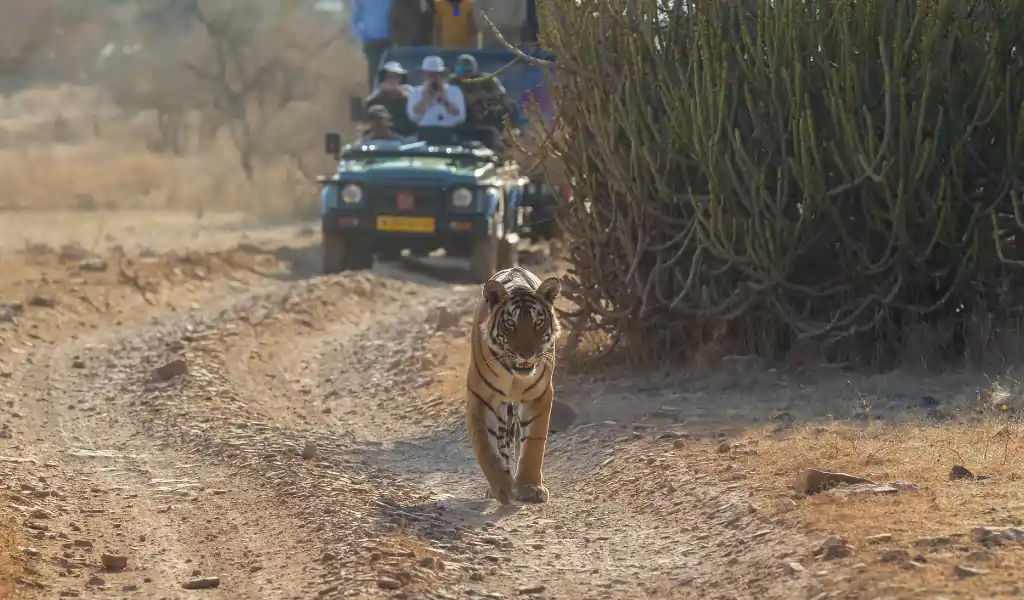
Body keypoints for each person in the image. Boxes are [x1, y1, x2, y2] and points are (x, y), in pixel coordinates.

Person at [449, 54, 509, 149]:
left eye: (469, 72)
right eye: (462, 72)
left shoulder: (486, 80)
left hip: (485, 115)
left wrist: (482, 96)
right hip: (462, 117)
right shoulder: (452, 81)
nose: (467, 76)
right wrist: (463, 98)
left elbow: (501, 95)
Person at [406, 55, 467, 144]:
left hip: (448, 134)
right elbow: (413, 116)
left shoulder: (454, 90)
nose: (433, 79)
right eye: (429, 75)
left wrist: (445, 101)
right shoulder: (416, 91)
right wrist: (425, 97)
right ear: (423, 75)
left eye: (436, 75)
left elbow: (460, 116)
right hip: (424, 134)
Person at [349, 0, 394, 92]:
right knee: (375, 73)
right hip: (371, 41)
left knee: (393, 73)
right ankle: (375, 96)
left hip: (391, 41)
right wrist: (363, 36)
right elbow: (355, 17)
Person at [364, 61, 417, 138]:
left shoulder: (408, 93)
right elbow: (367, 112)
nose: (392, 81)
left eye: (395, 77)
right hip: (380, 137)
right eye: (389, 77)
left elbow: (415, 112)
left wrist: (400, 94)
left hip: (404, 137)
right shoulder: (376, 97)